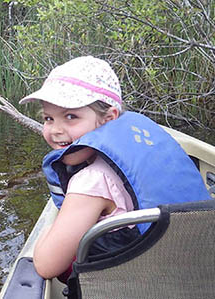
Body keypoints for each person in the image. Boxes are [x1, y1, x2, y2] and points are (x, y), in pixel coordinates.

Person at [18, 56, 210, 282]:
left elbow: (46, 265)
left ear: (109, 118)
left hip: (134, 284)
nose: (55, 130)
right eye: (48, 118)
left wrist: (46, 230)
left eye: (71, 116)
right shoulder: (144, 149)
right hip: (188, 275)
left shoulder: (91, 180)